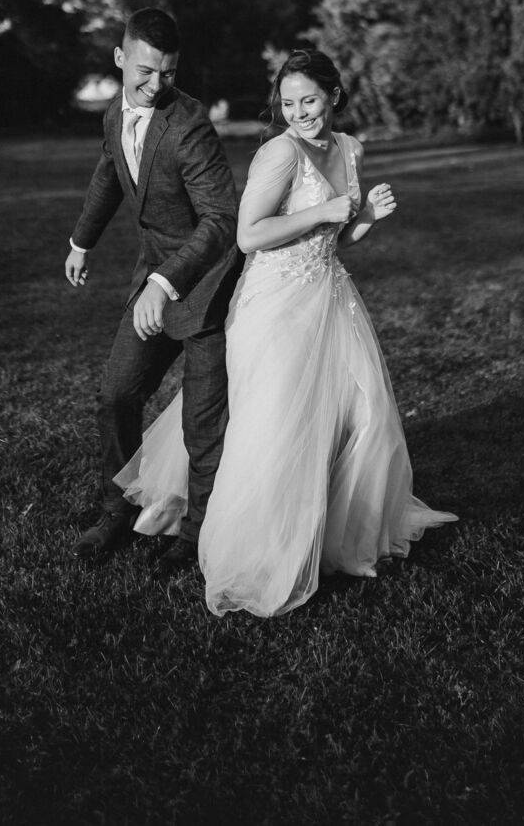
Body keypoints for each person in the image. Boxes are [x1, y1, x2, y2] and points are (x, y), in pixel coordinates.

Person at [114, 47, 457, 616]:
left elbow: (337, 239)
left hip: (330, 297)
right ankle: (260, 550)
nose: (300, 113)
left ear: (334, 96)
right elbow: (249, 235)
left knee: (357, 415)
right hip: (273, 304)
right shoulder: (279, 152)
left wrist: (366, 216)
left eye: (311, 101)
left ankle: (333, 536)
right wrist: (323, 212)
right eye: (290, 103)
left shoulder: (350, 148)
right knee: (278, 423)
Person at [65, 8, 242, 575]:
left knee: (203, 424)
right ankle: (116, 510)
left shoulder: (189, 125)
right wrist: (81, 241)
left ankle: (195, 536)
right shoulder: (115, 114)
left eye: (167, 73)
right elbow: (109, 173)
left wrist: (166, 283)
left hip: (208, 284)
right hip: (154, 278)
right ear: (120, 58)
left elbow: (222, 219)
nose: (155, 85)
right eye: (145, 71)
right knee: (116, 394)